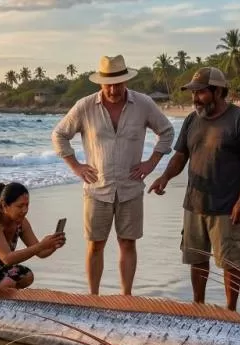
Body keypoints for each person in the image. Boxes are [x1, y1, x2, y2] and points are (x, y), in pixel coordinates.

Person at [51, 54, 175, 296]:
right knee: (95, 245)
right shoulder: (85, 106)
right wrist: (76, 166)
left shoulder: (143, 104)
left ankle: (126, 297)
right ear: (100, 82)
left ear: (126, 80)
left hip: (131, 186)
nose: (113, 89)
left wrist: (151, 163)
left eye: (118, 84)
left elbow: (167, 131)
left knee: (127, 243)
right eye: (108, 84)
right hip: (97, 188)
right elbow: (59, 135)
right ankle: (93, 297)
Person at [147, 67, 240, 311]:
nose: (195, 98)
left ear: (217, 91)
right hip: (194, 203)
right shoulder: (192, 120)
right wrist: (165, 177)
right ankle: (198, 307)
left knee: (230, 262)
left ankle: (231, 312)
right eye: (193, 93)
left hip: (227, 206)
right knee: (196, 259)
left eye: (200, 92)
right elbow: (181, 155)